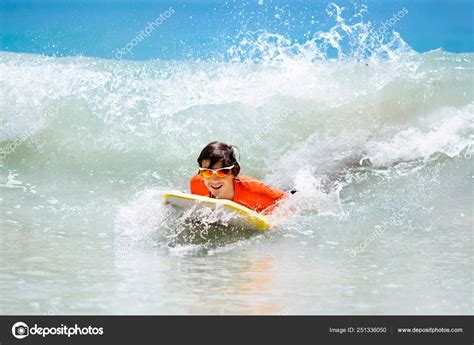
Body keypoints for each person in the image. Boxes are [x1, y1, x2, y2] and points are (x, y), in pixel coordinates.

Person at [190, 141, 288, 215]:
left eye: (222, 171)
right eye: (207, 172)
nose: (214, 179)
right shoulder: (196, 183)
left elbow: (285, 200)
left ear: (234, 171)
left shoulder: (253, 191)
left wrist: (273, 220)